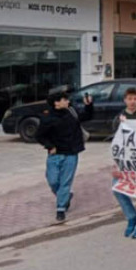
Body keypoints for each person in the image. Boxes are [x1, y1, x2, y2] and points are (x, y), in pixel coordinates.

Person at [36, 90, 94, 223]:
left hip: (71, 153)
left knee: (65, 182)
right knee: (52, 180)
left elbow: (87, 116)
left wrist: (89, 105)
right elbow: (39, 136)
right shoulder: (47, 117)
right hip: (55, 154)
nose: (68, 101)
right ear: (57, 103)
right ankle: (65, 196)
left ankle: (61, 208)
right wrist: (50, 146)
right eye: (65, 99)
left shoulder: (71, 112)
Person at [111, 87, 136, 238]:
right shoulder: (119, 117)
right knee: (117, 188)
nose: (132, 102)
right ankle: (131, 217)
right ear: (125, 100)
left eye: (135, 99)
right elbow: (116, 142)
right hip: (125, 161)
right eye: (130, 99)